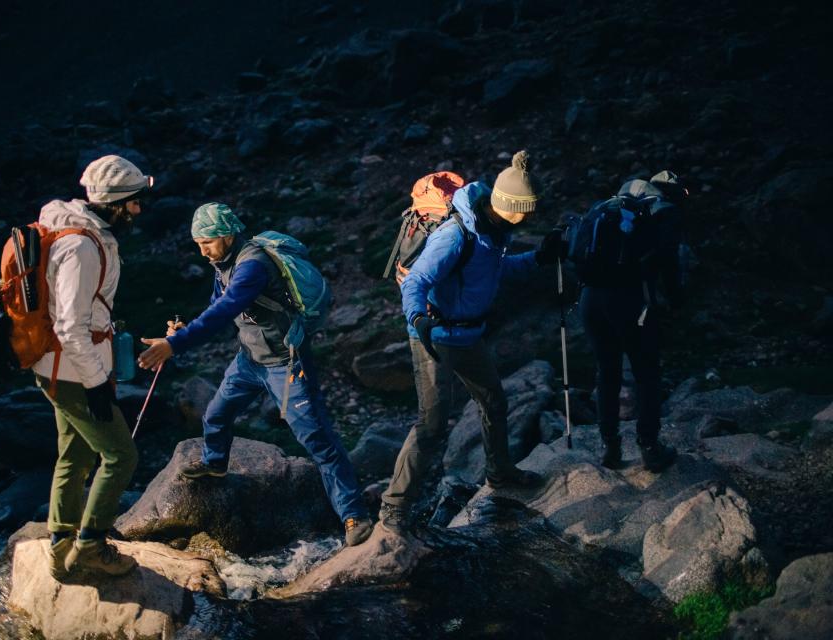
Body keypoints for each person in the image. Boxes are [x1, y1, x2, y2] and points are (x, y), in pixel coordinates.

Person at [137, 203, 373, 547]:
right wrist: (183, 330)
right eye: (198, 244)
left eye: (207, 242)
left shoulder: (253, 266)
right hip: (249, 360)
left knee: (317, 439)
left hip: (285, 364)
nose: (202, 251)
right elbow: (216, 305)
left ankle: (354, 514)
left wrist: (175, 346)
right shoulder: (223, 263)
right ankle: (215, 464)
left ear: (228, 234)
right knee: (216, 414)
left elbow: (227, 309)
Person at [379, 150, 564, 534]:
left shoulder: (494, 230)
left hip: (467, 333)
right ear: (515, 208)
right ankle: (393, 509)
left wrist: (540, 258)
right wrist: (418, 319)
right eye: (531, 209)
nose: (535, 215)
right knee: (431, 425)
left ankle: (499, 474)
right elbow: (416, 282)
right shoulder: (455, 234)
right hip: (432, 335)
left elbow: (499, 270)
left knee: (494, 401)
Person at [35, 155, 153, 579]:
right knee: (122, 455)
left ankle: (60, 544)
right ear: (116, 203)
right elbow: (70, 325)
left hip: (58, 366)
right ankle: (90, 545)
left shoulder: (72, 230)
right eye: (135, 203)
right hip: (72, 371)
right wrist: (97, 384)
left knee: (74, 454)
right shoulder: (82, 246)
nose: (138, 211)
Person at [577, 171, 686, 472]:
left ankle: (609, 447)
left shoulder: (610, 207)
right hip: (627, 301)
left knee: (607, 371)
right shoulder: (663, 212)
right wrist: (676, 302)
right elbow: (668, 261)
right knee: (647, 373)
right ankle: (650, 447)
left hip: (590, 300)